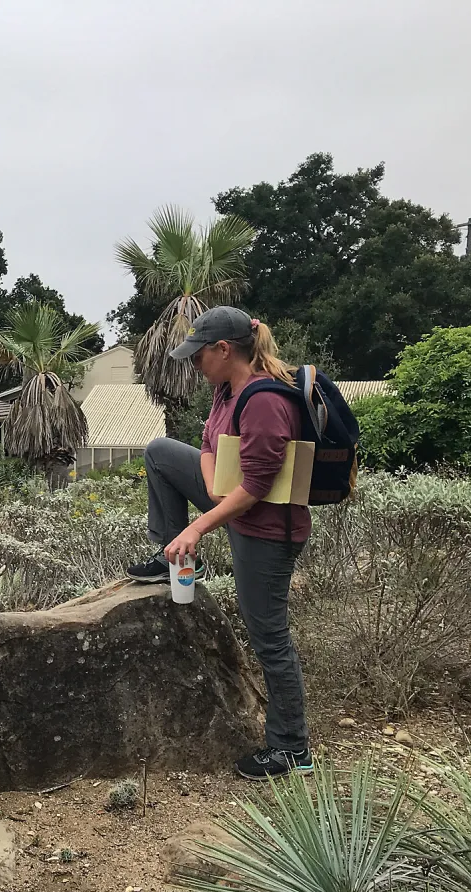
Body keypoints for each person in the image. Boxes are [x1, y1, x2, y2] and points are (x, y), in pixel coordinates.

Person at [126, 306, 313, 781]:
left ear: (223, 349)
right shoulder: (223, 392)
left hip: (269, 530)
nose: (194, 365)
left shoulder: (266, 400)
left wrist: (199, 526)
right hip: (235, 506)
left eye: (198, 355)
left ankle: (292, 748)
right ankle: (172, 555)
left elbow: (256, 487)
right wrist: (212, 490)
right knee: (161, 452)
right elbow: (208, 447)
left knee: (268, 634)